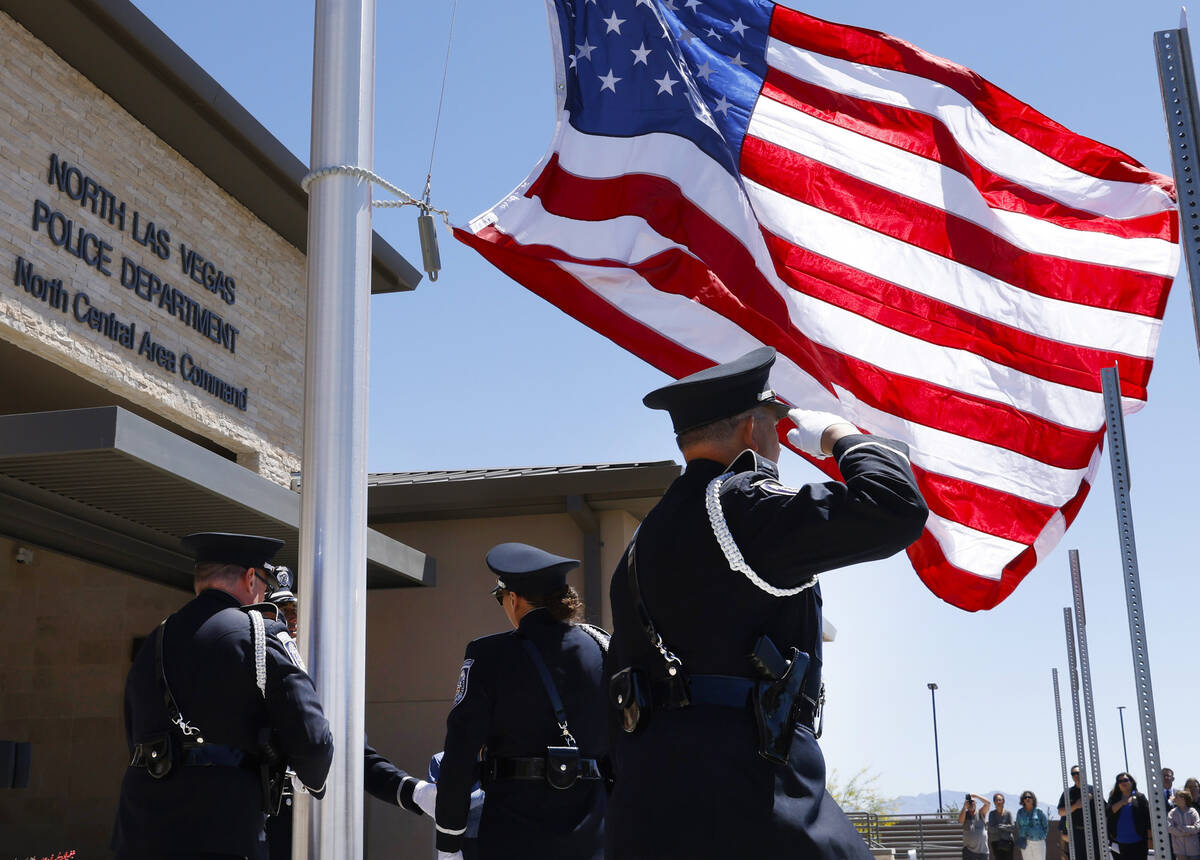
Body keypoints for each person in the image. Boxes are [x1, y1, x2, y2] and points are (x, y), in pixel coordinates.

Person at [604, 347, 929, 859]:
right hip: (748, 796)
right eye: (775, 423)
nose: (780, 438)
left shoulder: (642, 544)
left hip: (648, 806)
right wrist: (844, 438)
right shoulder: (738, 503)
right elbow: (893, 508)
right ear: (751, 432)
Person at [112, 532, 334, 859]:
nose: (262, 592)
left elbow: (134, 730)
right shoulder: (259, 634)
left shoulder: (156, 639)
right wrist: (314, 782)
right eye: (262, 581)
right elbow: (313, 740)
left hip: (140, 828)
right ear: (249, 577)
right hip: (221, 828)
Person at [433, 543, 609, 860]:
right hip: (592, 838)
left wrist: (449, 836)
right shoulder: (601, 648)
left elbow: (461, 750)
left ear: (513, 599)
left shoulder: (488, 655)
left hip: (514, 838)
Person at [263, 571, 437, 860]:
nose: (290, 624)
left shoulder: (324, 686)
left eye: (295, 615)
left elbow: (358, 761)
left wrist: (415, 792)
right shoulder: (253, 679)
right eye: (281, 615)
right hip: (265, 830)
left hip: (322, 832)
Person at [1058, 765, 1102, 860]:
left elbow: (1104, 809)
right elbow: (1060, 812)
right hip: (1076, 833)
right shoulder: (1068, 793)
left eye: (1078, 773)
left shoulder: (1093, 790)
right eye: (1073, 774)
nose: (1076, 775)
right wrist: (1075, 806)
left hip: (1093, 832)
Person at [1107, 772, 1152, 860]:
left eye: (1125, 780)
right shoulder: (1114, 798)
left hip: (1138, 841)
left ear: (1131, 782)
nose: (1123, 783)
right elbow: (1108, 812)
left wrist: (1150, 837)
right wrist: (1122, 802)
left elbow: (1148, 816)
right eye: (1120, 781)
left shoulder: (1140, 797)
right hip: (1119, 842)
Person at [1015, 791, 1048, 860]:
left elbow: (1045, 826)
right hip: (1025, 842)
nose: (1027, 799)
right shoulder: (1020, 812)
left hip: (1038, 841)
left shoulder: (1039, 811)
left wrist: (1041, 835)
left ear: (1033, 799)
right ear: (1023, 800)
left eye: (1029, 797)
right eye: (1025, 797)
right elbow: (1018, 825)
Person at [1169, 790, 1200, 860]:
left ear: (1183, 799)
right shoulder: (1172, 813)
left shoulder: (1193, 812)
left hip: (1193, 848)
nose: (1174, 799)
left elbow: (1197, 827)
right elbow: (1170, 828)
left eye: (1176, 797)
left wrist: (1182, 827)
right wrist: (1185, 833)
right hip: (1179, 849)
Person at [961, 794, 991, 860]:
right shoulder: (965, 814)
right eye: (969, 802)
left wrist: (976, 796)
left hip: (983, 851)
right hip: (969, 852)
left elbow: (988, 803)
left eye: (972, 802)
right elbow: (960, 820)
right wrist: (964, 807)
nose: (971, 804)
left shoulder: (981, 813)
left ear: (976, 803)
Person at [989, 793, 1016, 860]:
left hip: (1008, 843)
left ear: (1003, 801)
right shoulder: (992, 814)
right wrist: (1006, 827)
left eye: (1000, 800)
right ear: (994, 802)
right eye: (996, 800)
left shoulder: (1008, 813)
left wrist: (1000, 826)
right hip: (996, 843)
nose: (998, 802)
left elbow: (1012, 828)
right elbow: (991, 829)